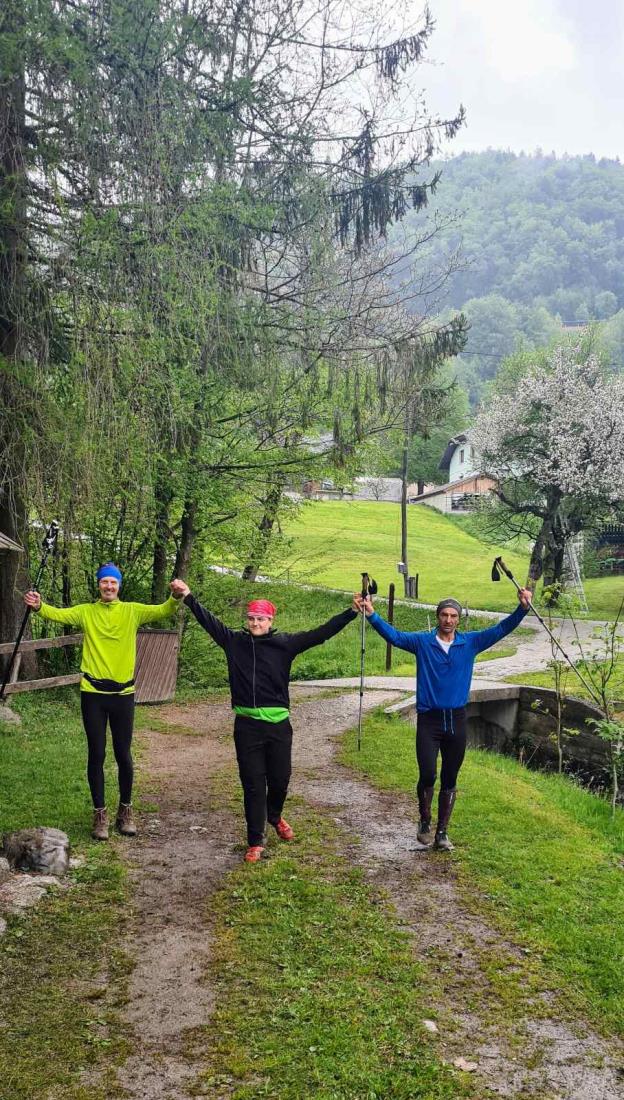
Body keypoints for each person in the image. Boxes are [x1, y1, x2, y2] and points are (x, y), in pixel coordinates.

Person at [171, 579, 358, 862]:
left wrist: (351, 612)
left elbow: (321, 633)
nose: (255, 623)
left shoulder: (285, 644)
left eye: (261, 619)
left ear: (270, 621)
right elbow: (209, 621)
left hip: (278, 726)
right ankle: (255, 841)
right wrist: (188, 596)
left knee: (280, 780)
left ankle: (275, 815)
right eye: (251, 618)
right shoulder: (234, 642)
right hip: (247, 726)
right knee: (253, 784)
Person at [357, 588, 531, 850]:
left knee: (450, 777)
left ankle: (442, 833)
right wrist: (372, 615)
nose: (448, 620)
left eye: (453, 616)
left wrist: (522, 609)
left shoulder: (470, 643)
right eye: (444, 615)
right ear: (438, 616)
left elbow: (501, 629)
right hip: (430, 720)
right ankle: (425, 821)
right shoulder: (422, 643)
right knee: (428, 774)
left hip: (457, 720)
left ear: (458, 619)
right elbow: (394, 636)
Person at [24, 564, 184, 840]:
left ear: (119, 586)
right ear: (98, 585)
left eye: (113, 582)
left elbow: (163, 610)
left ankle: (125, 810)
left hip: (123, 695)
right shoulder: (87, 612)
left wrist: (176, 596)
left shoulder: (132, 611)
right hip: (93, 694)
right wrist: (39, 606)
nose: (109, 586)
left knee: (124, 754)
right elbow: (58, 614)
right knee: (96, 754)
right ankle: (100, 814)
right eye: (104, 582)